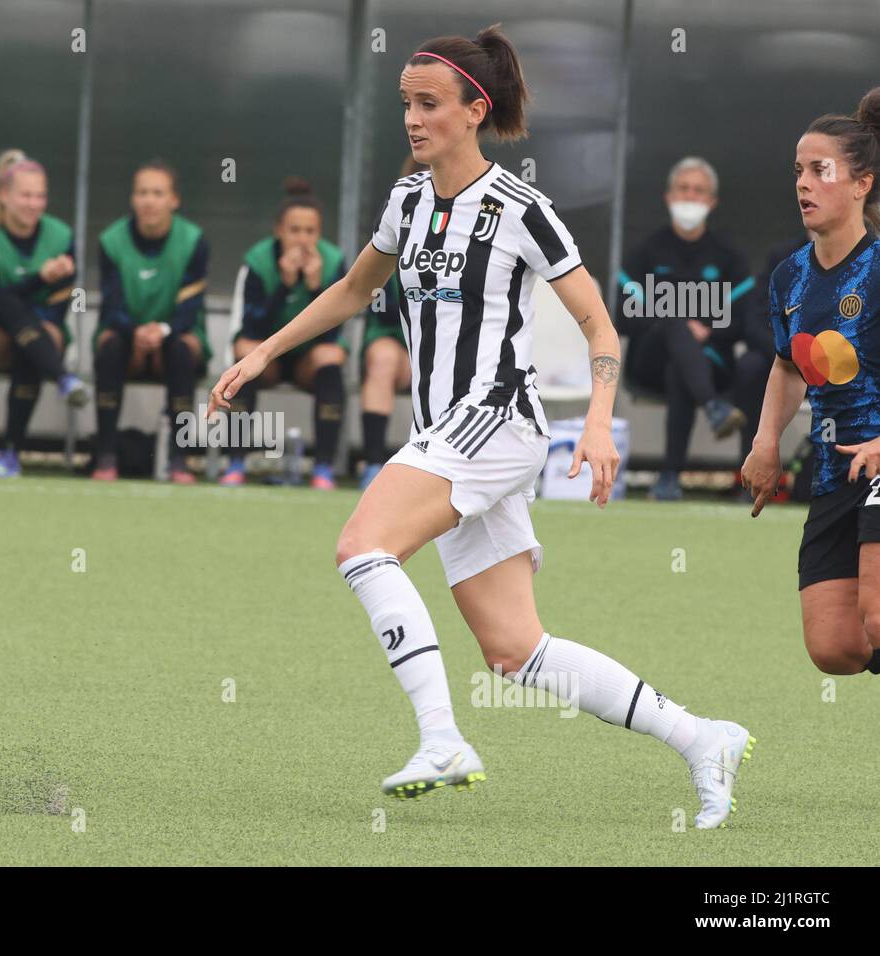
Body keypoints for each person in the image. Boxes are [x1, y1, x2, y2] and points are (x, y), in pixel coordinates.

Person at [209, 24, 753, 829]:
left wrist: (599, 425)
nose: (413, 119)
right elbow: (354, 292)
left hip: (497, 422)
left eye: (430, 104)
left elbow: (602, 328)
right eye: (406, 104)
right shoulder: (407, 200)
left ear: (475, 109)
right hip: (450, 432)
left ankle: (441, 739)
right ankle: (702, 737)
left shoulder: (521, 210)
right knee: (516, 650)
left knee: (362, 544)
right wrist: (263, 352)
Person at [743, 87, 880, 679]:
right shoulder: (788, 277)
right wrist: (766, 442)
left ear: (861, 184)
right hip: (832, 472)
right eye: (798, 170)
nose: (803, 182)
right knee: (836, 647)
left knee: (877, 615)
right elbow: (787, 364)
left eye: (820, 170)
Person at [617, 157, 768, 500]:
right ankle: (713, 407)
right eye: (683, 189)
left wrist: (709, 333)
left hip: (712, 362)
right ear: (669, 196)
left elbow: (745, 320)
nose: (690, 196)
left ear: (712, 202)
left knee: (680, 369)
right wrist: (679, 328)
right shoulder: (644, 252)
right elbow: (622, 316)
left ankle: (669, 478)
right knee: (672, 323)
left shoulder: (729, 256)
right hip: (648, 362)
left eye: (699, 191)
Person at [0, 149, 88, 478]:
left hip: (39, 338)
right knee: (5, 305)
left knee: (29, 341)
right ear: (4, 195)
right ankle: (63, 378)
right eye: (26, 195)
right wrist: (39, 279)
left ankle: (10, 454)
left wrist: (54, 285)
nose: (34, 203)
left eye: (41, 195)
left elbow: (63, 302)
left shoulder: (61, 236)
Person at [221, 177, 348, 490]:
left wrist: (316, 287)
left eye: (310, 232)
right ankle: (235, 461)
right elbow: (251, 328)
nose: (302, 240)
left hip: (308, 357)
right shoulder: (258, 260)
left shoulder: (332, 262)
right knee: (244, 354)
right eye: (294, 231)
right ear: (278, 230)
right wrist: (285, 285)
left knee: (331, 359)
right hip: (268, 356)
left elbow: (332, 337)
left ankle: (323, 467)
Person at [92, 160, 211, 482]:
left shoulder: (194, 241)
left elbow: (190, 307)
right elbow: (111, 304)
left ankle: (179, 460)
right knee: (110, 346)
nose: (148, 200)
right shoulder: (111, 240)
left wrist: (163, 330)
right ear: (133, 199)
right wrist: (135, 332)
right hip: (126, 335)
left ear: (174, 200)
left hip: (174, 333)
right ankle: (105, 458)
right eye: (142, 192)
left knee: (181, 349)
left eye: (157, 193)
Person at [358, 155, 425, 491]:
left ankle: (435, 467)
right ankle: (372, 463)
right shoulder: (397, 216)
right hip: (392, 337)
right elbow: (369, 298)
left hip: (444, 344)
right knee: (383, 359)